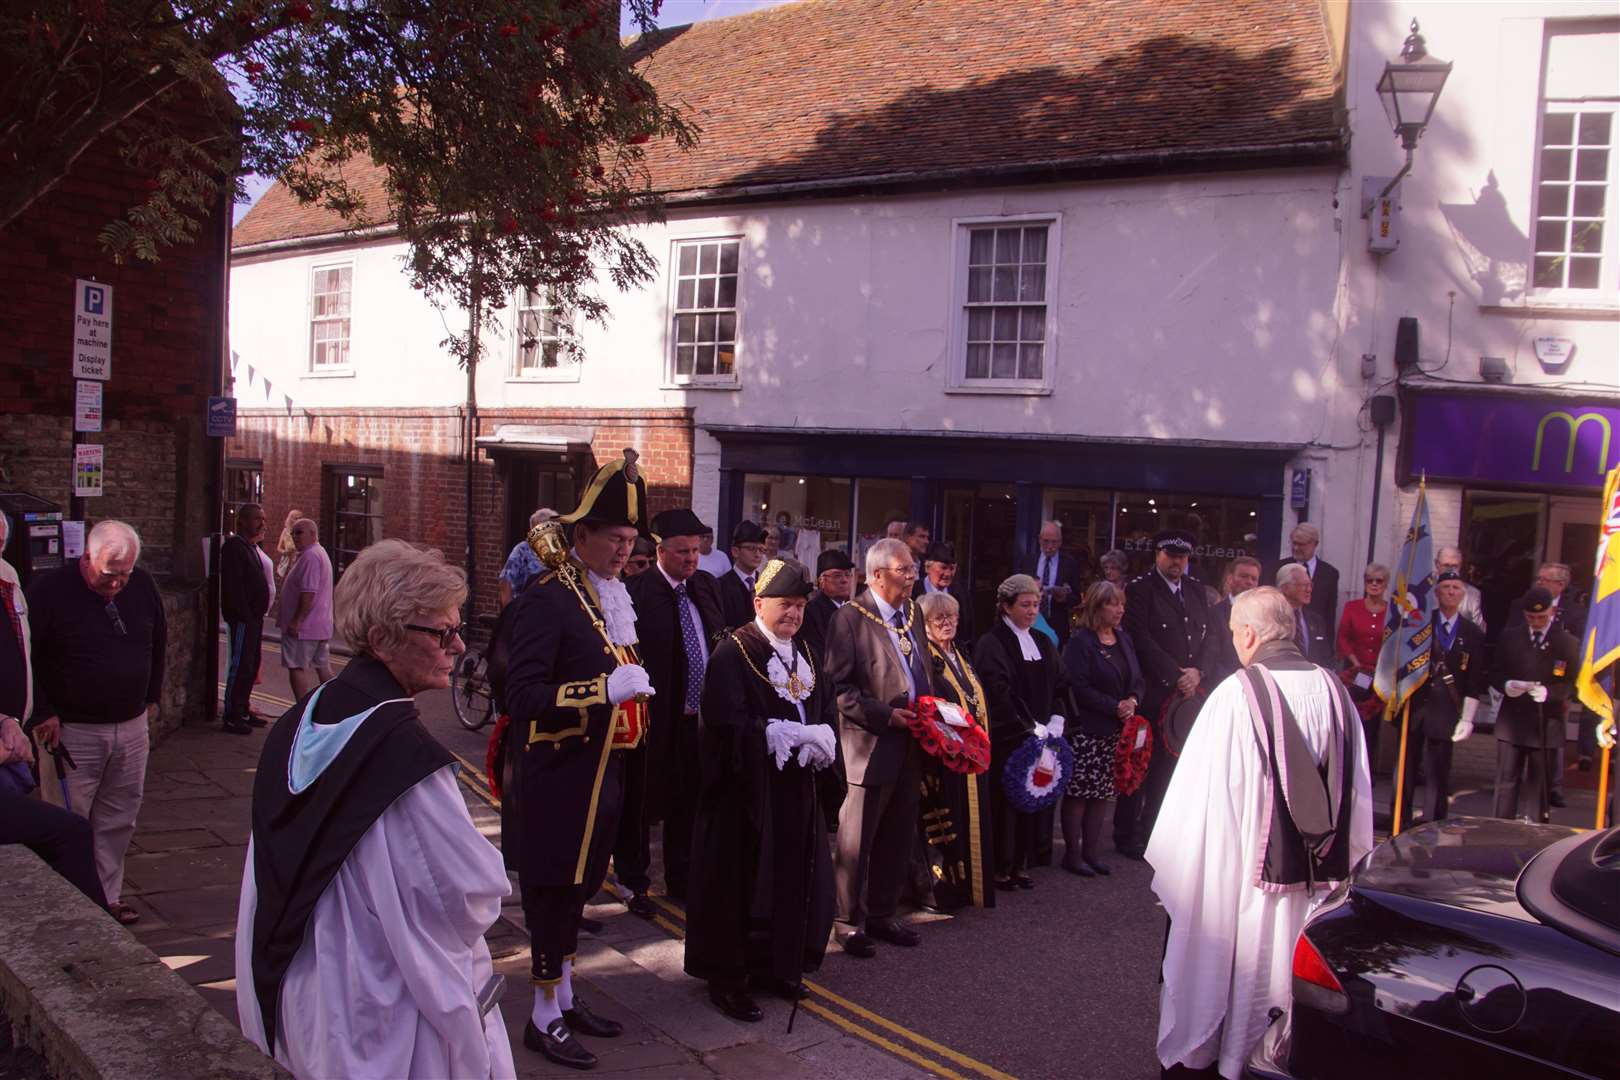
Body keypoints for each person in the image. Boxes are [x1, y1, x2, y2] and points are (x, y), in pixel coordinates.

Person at [235, 539, 514, 1080]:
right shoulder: (400, 753)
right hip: (371, 996)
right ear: (383, 639)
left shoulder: (302, 719)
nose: (457, 647)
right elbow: (469, 894)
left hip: (295, 977)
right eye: (442, 633)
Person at [1149, 587, 1372, 1079]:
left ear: (1247, 633)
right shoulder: (1337, 692)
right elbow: (1359, 794)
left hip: (1245, 889)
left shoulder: (1235, 695)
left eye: (1233, 634)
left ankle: (1226, 1057)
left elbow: (1198, 804)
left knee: (1232, 989)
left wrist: (1183, 879)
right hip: (1317, 886)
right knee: (1291, 989)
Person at [497, 450, 651, 1069]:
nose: (624, 551)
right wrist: (599, 693)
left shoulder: (607, 596)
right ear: (580, 535)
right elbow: (522, 696)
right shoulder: (547, 600)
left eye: (632, 540)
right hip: (554, 776)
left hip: (602, 772)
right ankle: (540, 1016)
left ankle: (563, 995)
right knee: (551, 894)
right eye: (615, 539)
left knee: (580, 889)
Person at [685, 559, 841, 1022]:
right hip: (745, 794)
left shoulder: (809, 653)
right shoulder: (734, 652)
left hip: (795, 791)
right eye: (784, 605)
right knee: (742, 883)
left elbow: (824, 707)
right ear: (758, 603)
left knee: (791, 878)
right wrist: (775, 733)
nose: (793, 614)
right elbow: (722, 723)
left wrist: (823, 737)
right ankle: (728, 978)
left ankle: (780, 965)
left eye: (798, 606)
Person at [26, 521, 166, 926]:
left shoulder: (140, 584)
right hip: (71, 731)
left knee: (120, 816)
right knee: (68, 821)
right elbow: (26, 656)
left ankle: (105, 899)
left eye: (125, 574)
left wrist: (152, 697)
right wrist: (43, 711)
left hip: (131, 725)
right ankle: (68, 905)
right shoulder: (49, 591)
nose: (118, 584)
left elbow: (157, 639)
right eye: (110, 575)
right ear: (87, 558)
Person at [824, 537, 934, 957]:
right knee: (857, 841)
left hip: (912, 742)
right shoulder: (850, 619)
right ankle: (847, 921)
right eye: (903, 570)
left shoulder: (913, 611)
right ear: (875, 575)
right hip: (870, 747)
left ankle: (884, 914)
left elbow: (921, 668)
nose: (912, 576)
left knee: (898, 835)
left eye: (912, 568)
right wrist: (886, 715)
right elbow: (839, 690)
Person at [0, 513, 105, 908]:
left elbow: (26, 655)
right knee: (69, 833)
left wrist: (9, 721)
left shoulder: (9, 580)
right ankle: (99, 947)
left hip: (11, 753)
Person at [623, 508, 725, 912]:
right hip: (655, 716)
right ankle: (635, 881)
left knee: (690, 801)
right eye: (682, 552)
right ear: (661, 551)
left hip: (697, 717)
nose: (691, 559)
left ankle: (680, 878)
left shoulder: (706, 586)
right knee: (644, 800)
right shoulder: (638, 591)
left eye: (696, 551)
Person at [1118, 529, 1213, 859]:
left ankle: (1154, 833)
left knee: (1171, 769)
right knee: (1142, 764)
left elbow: (1211, 636)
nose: (1177, 563)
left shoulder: (1197, 590)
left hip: (1187, 695)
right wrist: (1175, 675)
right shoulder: (1141, 590)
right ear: (1157, 554)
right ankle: (1127, 835)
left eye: (1183, 557)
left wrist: (1198, 671)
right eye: (1171, 555)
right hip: (1155, 691)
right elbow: (1140, 638)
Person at [974, 573, 1066, 891]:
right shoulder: (993, 642)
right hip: (1009, 737)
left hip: (1042, 737)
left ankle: (1022, 863)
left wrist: (1057, 718)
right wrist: (1027, 724)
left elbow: (1060, 683)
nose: (1031, 611)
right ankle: (1001, 865)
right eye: (1025, 605)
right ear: (1006, 606)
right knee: (1006, 802)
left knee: (1035, 793)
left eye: (1036, 604)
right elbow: (997, 689)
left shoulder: (1042, 641)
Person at [916, 590, 996, 910]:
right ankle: (945, 890)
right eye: (939, 618)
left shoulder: (960, 655)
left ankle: (971, 886)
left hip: (971, 756)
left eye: (952, 617)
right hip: (944, 757)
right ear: (925, 624)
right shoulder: (926, 659)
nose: (947, 623)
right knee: (947, 823)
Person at [1060, 581, 1142, 878]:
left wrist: (1132, 700)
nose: (1120, 610)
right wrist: (1113, 706)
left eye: (1121, 604)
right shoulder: (1081, 642)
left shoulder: (1124, 639)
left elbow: (1137, 678)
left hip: (1115, 731)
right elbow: (1077, 687)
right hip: (1088, 729)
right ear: (1097, 607)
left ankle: (1091, 853)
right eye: (1113, 604)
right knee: (1080, 793)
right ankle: (1073, 854)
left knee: (1101, 793)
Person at [1396, 570, 1485, 830]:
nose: (1450, 592)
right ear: (1436, 593)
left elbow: (1474, 679)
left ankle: (1432, 824)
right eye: (1445, 587)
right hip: (1416, 705)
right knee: (1406, 768)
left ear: (1463, 594)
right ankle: (1399, 820)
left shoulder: (1472, 633)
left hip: (1447, 708)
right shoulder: (1420, 623)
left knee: (1438, 772)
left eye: (1456, 588)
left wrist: (1468, 718)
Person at [1490, 586, 1579, 822]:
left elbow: (1573, 683)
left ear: (1552, 611)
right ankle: (1499, 829)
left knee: (1538, 787)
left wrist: (1550, 692)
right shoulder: (1510, 637)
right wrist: (1507, 685)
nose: (1537, 622)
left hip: (1545, 723)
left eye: (1542, 616)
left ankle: (1536, 833)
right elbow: (1495, 672)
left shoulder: (1567, 642)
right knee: (1506, 783)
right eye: (1531, 617)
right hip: (1513, 722)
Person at [1506, 562, 1587, 804]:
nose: (1539, 582)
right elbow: (1510, 637)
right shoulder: (1520, 605)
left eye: (1545, 579)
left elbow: (1577, 649)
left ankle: (1553, 786)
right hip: (1522, 681)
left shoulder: (1574, 612)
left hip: (1554, 684)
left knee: (1553, 735)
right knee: (1516, 734)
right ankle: (1515, 782)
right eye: (1538, 578)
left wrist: (1562, 690)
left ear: (1560, 585)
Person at [221, 503, 270, 735]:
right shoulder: (234, 547)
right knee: (240, 665)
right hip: (243, 618)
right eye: (257, 519)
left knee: (251, 665)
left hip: (255, 618)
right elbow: (234, 585)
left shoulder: (250, 547)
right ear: (242, 521)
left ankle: (243, 708)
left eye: (263, 519)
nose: (262, 523)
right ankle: (232, 714)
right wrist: (245, 615)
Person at [277, 519, 335, 702]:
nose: (294, 536)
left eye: (299, 532)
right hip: (318, 625)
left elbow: (308, 592)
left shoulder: (310, 556)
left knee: (296, 666)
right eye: (293, 532)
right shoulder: (317, 553)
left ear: (313, 534)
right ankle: (335, 705)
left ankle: (301, 709)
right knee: (323, 666)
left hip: (304, 628)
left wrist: (296, 621)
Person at [1021, 521, 1081, 647]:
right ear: (1039, 540)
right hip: (1029, 622)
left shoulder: (1070, 564)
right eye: (1046, 541)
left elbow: (1076, 598)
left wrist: (1064, 598)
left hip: (1057, 623)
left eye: (1054, 542)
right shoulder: (1028, 561)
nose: (1049, 546)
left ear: (1060, 542)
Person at [1205, 555, 1262, 687]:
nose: (1249, 582)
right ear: (1230, 579)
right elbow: (1212, 658)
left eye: (1254, 579)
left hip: (1258, 686)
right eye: (1244, 576)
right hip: (1226, 686)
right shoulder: (1214, 614)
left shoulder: (1263, 616)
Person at [1278, 522, 1340, 632]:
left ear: (1315, 544)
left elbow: (1329, 614)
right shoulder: (1278, 568)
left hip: (1314, 636)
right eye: (1294, 543)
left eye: (1301, 544)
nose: (1296, 548)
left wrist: (1327, 647)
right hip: (1284, 632)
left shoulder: (1330, 574)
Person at [912, 540, 974, 643]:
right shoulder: (913, 592)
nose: (948, 573)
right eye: (943, 568)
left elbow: (967, 633)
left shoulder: (961, 594)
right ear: (927, 567)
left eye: (952, 568)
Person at [498, 508, 558, 609]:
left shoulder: (557, 551)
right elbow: (505, 582)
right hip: (526, 609)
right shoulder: (523, 550)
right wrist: (510, 613)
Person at [800, 549, 853, 661]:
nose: (844, 580)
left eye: (848, 575)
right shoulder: (811, 613)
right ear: (821, 581)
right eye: (837, 575)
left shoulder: (854, 612)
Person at [1276, 563, 1333, 666]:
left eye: (1310, 585)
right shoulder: (1273, 618)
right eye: (1303, 585)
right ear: (1285, 588)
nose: (1309, 590)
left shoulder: (1316, 620)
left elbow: (1326, 657)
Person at [719, 520, 768, 630]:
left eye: (761, 550)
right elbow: (716, 631)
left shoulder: (767, 584)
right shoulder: (720, 586)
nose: (757, 554)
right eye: (751, 548)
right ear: (735, 551)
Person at [1434, 547, 1486, 632]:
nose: (1450, 570)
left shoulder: (1473, 594)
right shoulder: (1425, 590)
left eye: (1454, 566)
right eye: (1446, 565)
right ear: (1437, 564)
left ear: (1460, 566)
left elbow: (1479, 631)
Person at [274, 508, 302, 585]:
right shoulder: (285, 531)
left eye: (299, 518)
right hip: (287, 563)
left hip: (297, 562)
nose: (298, 520)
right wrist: (285, 552)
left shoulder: (301, 532)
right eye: (296, 518)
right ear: (290, 519)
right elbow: (279, 548)